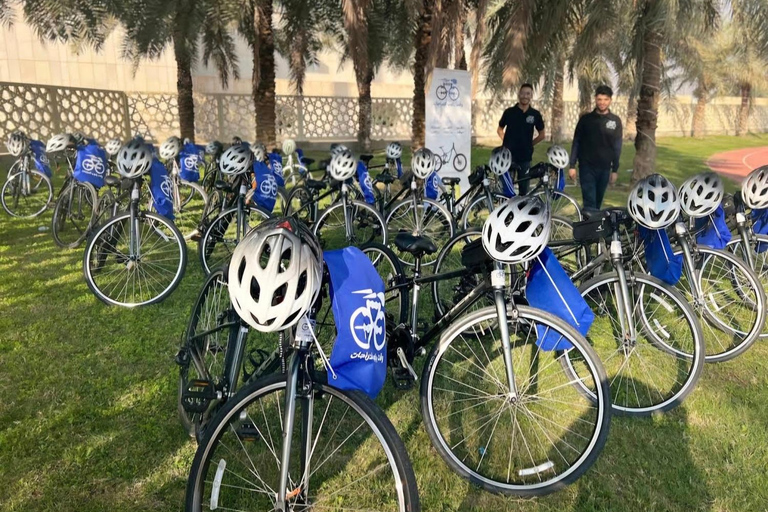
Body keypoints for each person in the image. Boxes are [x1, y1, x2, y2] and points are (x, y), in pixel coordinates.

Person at [568, 85, 623, 210]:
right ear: (595, 99)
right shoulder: (586, 120)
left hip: (604, 168)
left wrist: (615, 170)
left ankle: (591, 222)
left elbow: (617, 146)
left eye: (605, 99)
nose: (602, 102)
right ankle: (588, 222)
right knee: (589, 202)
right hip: (587, 167)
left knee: (597, 203)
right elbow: (576, 142)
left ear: (610, 100)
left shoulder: (615, 121)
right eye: (599, 99)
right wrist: (572, 166)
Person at [497, 83, 546, 195]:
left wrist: (530, 144)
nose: (525, 96)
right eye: (523, 93)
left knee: (524, 191)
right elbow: (499, 129)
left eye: (528, 94)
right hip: (508, 156)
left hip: (525, 157)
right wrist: (506, 141)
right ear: (519, 94)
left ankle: (522, 206)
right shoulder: (509, 112)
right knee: (506, 190)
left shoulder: (535, 114)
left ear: (531, 96)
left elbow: (542, 135)